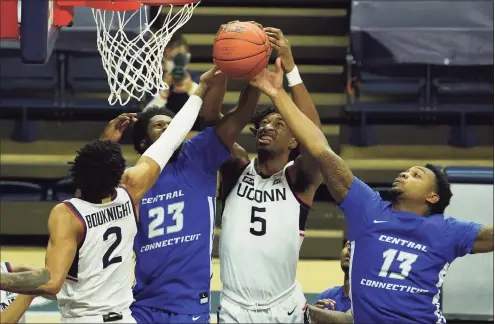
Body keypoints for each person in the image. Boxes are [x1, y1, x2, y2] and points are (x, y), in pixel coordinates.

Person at [248, 56, 495, 324]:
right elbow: (320, 149)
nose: (404, 173)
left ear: (432, 196)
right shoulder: (368, 207)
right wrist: (278, 93)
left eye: (416, 175)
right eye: (407, 171)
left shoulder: (448, 230)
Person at [0, 66, 222, 323]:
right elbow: (171, 138)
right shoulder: (129, 195)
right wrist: (201, 88)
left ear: (77, 175)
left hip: (84, 318)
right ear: (119, 174)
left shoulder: (67, 214)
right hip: (124, 318)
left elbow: (50, 283)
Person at [100, 23, 264, 324]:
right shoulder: (133, 178)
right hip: (140, 303)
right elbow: (92, 184)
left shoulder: (197, 155)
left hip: (188, 306)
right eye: (158, 126)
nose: (167, 129)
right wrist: (106, 142)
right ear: (142, 142)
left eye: (170, 124)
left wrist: (252, 74)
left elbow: (239, 116)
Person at [217, 27, 323, 324]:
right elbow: (223, 125)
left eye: (279, 124)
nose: (267, 127)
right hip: (234, 307)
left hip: (284, 307)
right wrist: (253, 76)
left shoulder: (299, 179)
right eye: (264, 123)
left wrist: (290, 70)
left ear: (294, 140)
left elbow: (317, 141)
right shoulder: (236, 167)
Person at [313, 241, 351, 314]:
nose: (349, 248)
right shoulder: (326, 296)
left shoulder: (368, 302)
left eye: (353, 246)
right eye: (347, 245)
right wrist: (311, 315)